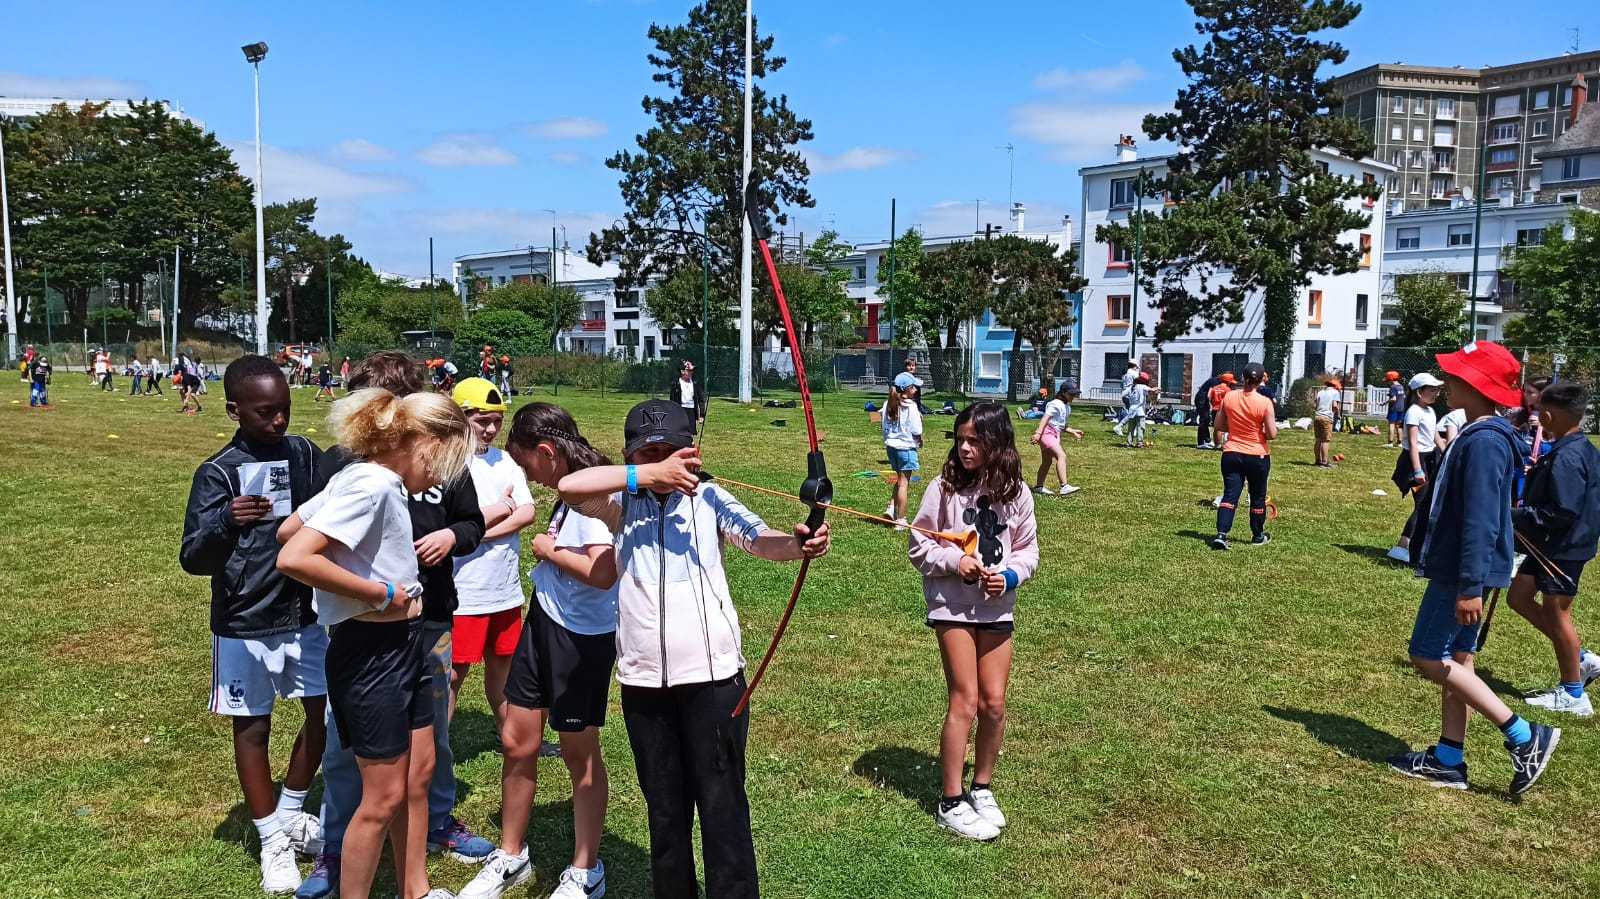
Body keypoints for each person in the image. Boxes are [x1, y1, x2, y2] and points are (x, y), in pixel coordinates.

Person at [556, 399, 830, 899]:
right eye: (647, 451)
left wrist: (798, 544)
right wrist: (644, 476)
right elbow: (570, 486)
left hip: (714, 683)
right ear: (630, 456)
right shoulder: (620, 504)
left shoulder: (709, 498)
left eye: (670, 451)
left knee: (723, 809)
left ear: (691, 453)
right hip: (643, 683)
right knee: (665, 812)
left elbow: (760, 539)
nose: (661, 460)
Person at [294, 353, 497, 899]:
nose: (442, 478)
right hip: (372, 650)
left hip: (411, 639)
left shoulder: (370, 477)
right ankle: (345, 871)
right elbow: (294, 553)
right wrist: (378, 592)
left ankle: (416, 888)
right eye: (443, 463)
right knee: (380, 795)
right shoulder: (372, 483)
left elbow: (293, 526)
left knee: (417, 774)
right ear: (422, 442)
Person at [180, 355, 327, 895]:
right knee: (253, 728)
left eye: (284, 409)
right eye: (266, 412)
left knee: (324, 716)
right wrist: (225, 520)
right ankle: (272, 841)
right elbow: (193, 557)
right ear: (234, 410)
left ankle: (289, 814)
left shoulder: (304, 454)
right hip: (243, 622)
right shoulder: (217, 473)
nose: (279, 420)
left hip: (306, 614)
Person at [459, 404, 620, 899]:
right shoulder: (568, 490)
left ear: (547, 452)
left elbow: (603, 572)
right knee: (516, 740)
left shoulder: (591, 492)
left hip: (581, 639)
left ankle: (586, 870)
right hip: (543, 621)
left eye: (528, 464)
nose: (528, 475)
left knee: (577, 751)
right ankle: (511, 855)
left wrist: (549, 551)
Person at [1387, 341, 1560, 794]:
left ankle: (1524, 734)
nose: (1446, 383)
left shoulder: (1484, 442)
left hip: (1462, 571)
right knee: (1460, 660)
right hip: (1469, 569)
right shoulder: (1480, 432)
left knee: (1427, 654)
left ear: (1476, 386)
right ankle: (1449, 759)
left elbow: (1481, 519)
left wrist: (1469, 586)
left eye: (1456, 376)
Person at [910, 401, 1038, 841]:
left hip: (996, 608)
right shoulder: (943, 488)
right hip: (953, 607)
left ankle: (981, 787)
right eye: (960, 440)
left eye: (975, 441)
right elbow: (919, 545)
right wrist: (955, 562)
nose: (965, 448)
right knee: (964, 699)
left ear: (997, 443)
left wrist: (1009, 576)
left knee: (994, 703)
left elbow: (1028, 552)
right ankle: (950, 801)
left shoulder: (1017, 493)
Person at [1507, 380, 1600, 717]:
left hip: (1563, 547)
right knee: (1518, 596)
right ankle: (1582, 658)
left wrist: (1512, 515)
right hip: (1549, 545)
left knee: (1557, 615)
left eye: (1539, 410)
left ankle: (1573, 693)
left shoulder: (1568, 456)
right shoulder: (1576, 447)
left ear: (1547, 415)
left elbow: (1562, 511)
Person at [449, 378, 537, 732]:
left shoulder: (506, 462)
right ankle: (434, 752)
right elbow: (448, 523)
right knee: (452, 673)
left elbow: (526, 512)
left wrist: (475, 532)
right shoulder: (448, 464)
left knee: (503, 666)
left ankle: (511, 737)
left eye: (497, 421)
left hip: (504, 591)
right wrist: (499, 512)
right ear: (459, 417)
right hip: (464, 593)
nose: (490, 429)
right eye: (481, 420)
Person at [1211, 362, 1277, 550]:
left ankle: (1222, 534)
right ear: (1261, 380)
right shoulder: (1265, 402)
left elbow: (1219, 425)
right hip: (1257, 454)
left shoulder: (1230, 396)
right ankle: (1258, 535)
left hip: (1232, 452)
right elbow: (1272, 434)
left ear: (1242, 377)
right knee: (1257, 496)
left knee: (1230, 495)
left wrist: (1236, 429)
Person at [1387, 373, 1444, 564]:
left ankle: (1411, 545)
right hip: (1415, 461)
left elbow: (1434, 435)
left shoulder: (1430, 411)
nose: (1437, 393)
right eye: (1433, 390)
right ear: (1419, 392)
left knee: (1427, 503)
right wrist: (1418, 470)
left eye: (1438, 390)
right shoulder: (1413, 412)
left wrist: (1445, 452)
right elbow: (1413, 443)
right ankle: (1404, 546)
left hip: (1430, 458)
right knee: (1423, 504)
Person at [883, 371, 925, 525]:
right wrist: (920, 440)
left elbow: (884, 427)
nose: (916, 389)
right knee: (903, 483)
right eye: (913, 387)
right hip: (906, 449)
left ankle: (891, 508)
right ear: (907, 389)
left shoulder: (887, 404)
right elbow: (916, 430)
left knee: (900, 479)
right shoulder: (911, 407)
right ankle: (901, 520)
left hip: (891, 448)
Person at [1031, 380, 1083, 496]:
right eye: (1071, 394)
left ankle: (1039, 487)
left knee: (1047, 462)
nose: (1073, 397)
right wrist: (1038, 433)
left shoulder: (1067, 407)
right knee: (1061, 456)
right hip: (1047, 434)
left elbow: (1061, 425)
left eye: (1075, 394)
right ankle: (1064, 486)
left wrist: (1073, 431)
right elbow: (1045, 418)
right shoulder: (1055, 404)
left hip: (1054, 435)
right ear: (1063, 393)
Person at [1313, 377, 1341, 467]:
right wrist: (1338, 414)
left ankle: (1317, 460)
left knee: (1318, 439)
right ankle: (1324, 462)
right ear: (1335, 386)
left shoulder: (1320, 392)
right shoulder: (1335, 392)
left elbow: (1315, 405)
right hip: (1327, 418)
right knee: (1325, 440)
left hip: (1317, 417)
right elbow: (1335, 406)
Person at [675, 360, 706, 434]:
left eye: (692, 370)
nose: (691, 372)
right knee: (680, 432)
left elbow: (701, 400)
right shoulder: (676, 384)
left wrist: (702, 415)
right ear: (682, 371)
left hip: (691, 411)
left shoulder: (695, 383)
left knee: (690, 433)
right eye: (689, 370)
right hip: (680, 411)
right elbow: (672, 401)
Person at [1124, 371, 1154, 449]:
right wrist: (1156, 389)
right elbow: (1151, 390)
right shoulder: (1142, 386)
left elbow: (1125, 395)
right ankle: (1139, 443)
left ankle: (1129, 443)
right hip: (1139, 411)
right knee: (1141, 427)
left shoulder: (1131, 387)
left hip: (1131, 410)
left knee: (1131, 428)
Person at [1193, 372, 1220, 449]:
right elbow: (1209, 394)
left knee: (1206, 420)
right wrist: (1211, 405)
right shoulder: (1216, 382)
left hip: (1203, 399)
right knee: (1204, 420)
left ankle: (1207, 440)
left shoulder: (1215, 380)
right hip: (1202, 400)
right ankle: (1201, 442)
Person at [1208, 372, 1235, 449]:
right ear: (1228, 381)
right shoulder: (1228, 389)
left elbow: (1210, 398)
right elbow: (1230, 400)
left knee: (1216, 428)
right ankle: (1226, 444)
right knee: (1226, 427)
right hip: (1224, 410)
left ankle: (1217, 444)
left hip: (1215, 409)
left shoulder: (1214, 388)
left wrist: (1213, 405)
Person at [1112, 361, 1139, 436]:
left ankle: (1132, 430)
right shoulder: (1133, 373)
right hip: (1130, 396)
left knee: (1132, 413)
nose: (1137, 368)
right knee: (1133, 413)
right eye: (1136, 367)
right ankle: (1119, 427)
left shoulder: (1124, 374)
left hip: (1124, 395)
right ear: (1134, 366)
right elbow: (1139, 382)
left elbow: (1121, 385)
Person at [1384, 371, 1406, 447]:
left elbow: (1393, 399)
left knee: (1391, 424)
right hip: (1401, 408)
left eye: (1388, 380)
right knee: (1398, 425)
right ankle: (1400, 443)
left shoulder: (1393, 387)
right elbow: (1403, 396)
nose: (1388, 382)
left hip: (1394, 408)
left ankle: (1390, 443)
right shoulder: (1401, 386)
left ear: (1391, 379)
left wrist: (1385, 403)